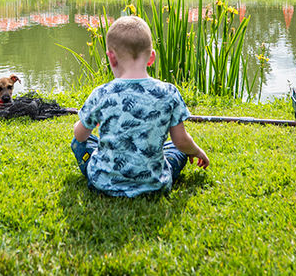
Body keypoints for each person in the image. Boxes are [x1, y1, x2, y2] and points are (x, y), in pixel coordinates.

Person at [71, 15, 209, 197]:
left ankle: (105, 171)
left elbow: (80, 135)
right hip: (154, 184)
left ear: (111, 58)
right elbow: (181, 141)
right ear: (151, 57)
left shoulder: (101, 93)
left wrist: (84, 124)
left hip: (103, 183)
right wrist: (197, 151)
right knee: (177, 149)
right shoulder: (169, 92)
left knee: (79, 143)